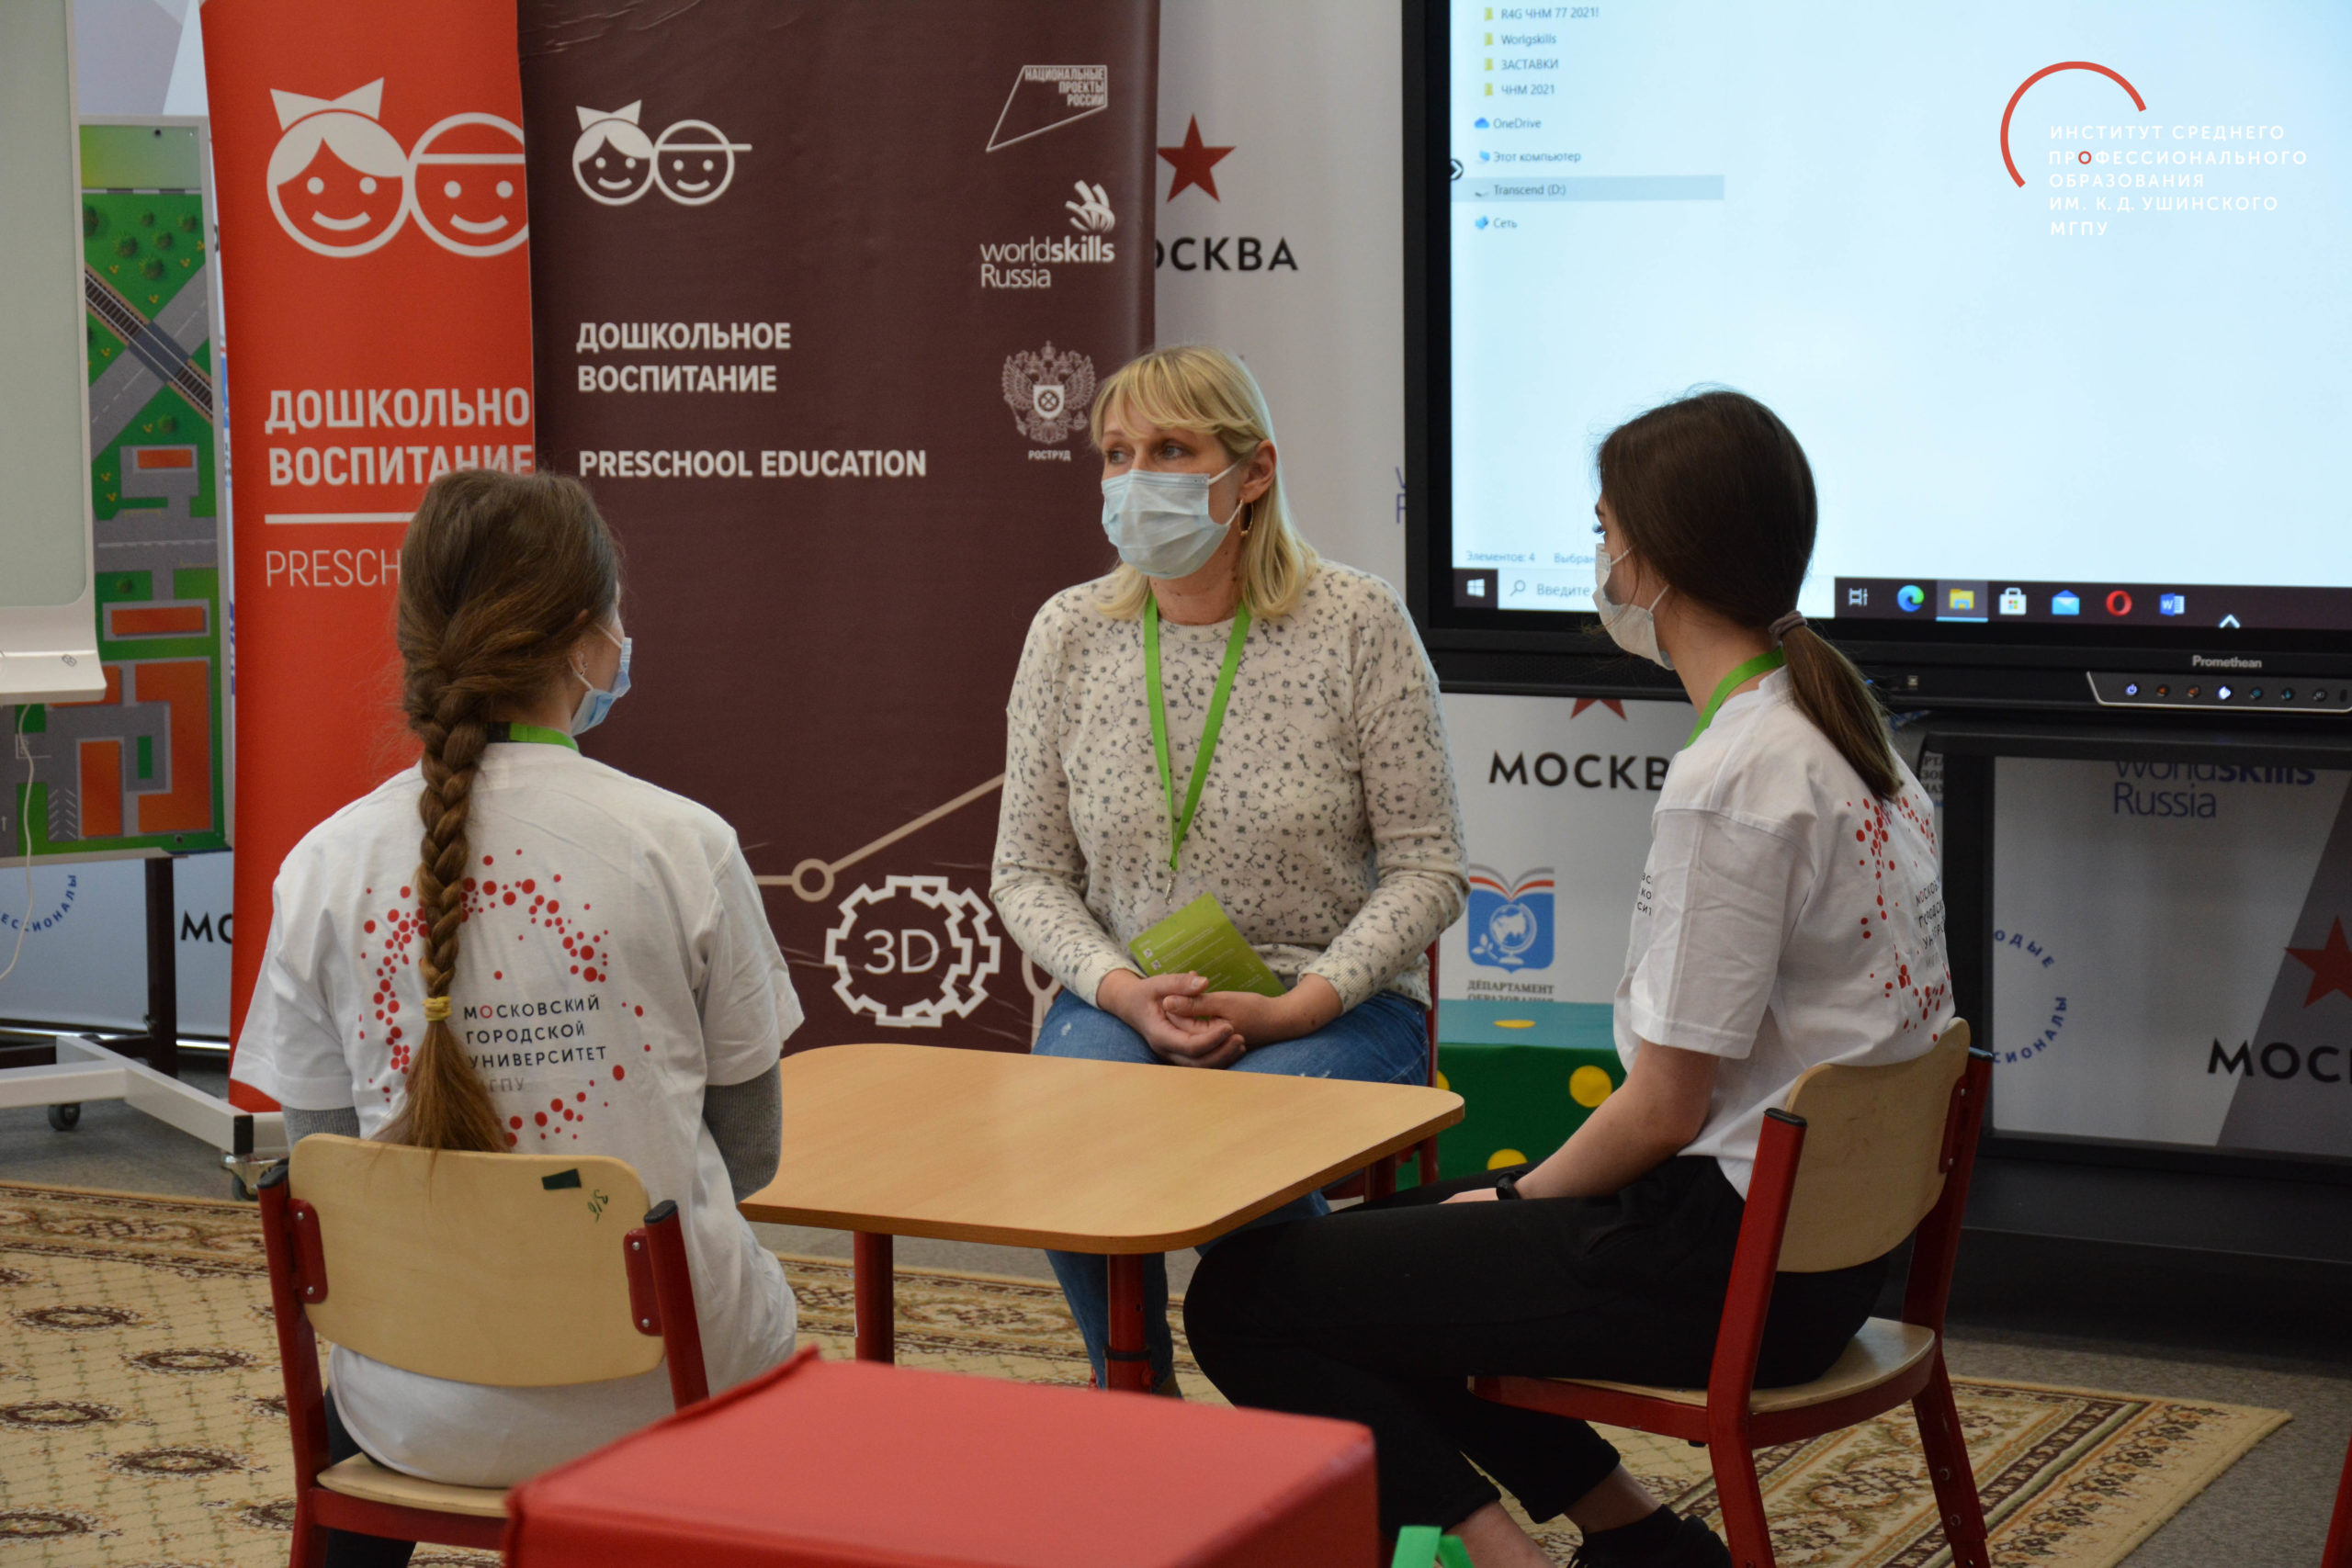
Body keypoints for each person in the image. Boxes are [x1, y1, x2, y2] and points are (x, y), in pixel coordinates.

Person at [1182, 390, 1954, 1568]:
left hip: (1724, 1264)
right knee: (1381, 1252)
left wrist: (1516, 1203)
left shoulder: (1735, 780)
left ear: (1653, 561)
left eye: (1602, 533)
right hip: (1821, 1261)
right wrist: (1508, 1207)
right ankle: (1636, 1541)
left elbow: (1664, 1110)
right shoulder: (1851, 741)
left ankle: (1510, 1558)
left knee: (1243, 1299)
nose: (1600, 562)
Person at [232, 470, 799, 1562]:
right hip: (671, 1392)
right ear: (585, 643)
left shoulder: (321, 868)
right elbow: (750, 1152)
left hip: (413, 1408)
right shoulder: (684, 845)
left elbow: (327, 1174)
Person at [991, 344, 1469, 1392]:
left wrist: (1297, 1007)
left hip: (1333, 1005)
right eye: (1116, 453)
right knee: (1069, 1123)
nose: (1135, 478)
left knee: (1230, 1147)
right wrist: (1123, 989)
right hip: (1131, 996)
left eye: (1171, 449)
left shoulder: (1356, 621)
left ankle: (1341, 1406)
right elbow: (1026, 871)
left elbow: (1429, 869)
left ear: (1252, 471)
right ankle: (1139, 1402)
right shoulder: (1070, 633)